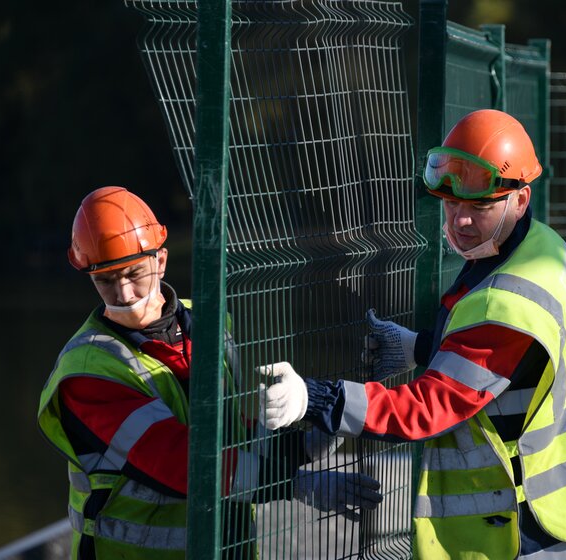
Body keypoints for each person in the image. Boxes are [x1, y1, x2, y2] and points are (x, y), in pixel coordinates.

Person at [259, 109, 566, 559]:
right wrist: (419, 346)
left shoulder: (507, 298)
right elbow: (503, 368)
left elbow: (426, 409)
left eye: (479, 207)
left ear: (520, 198)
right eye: (451, 204)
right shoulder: (541, 248)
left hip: (532, 532)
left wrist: (316, 399)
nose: (460, 220)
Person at [37, 186, 382, 560]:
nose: (122, 292)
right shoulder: (89, 370)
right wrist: (293, 483)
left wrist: (299, 445)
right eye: (105, 279)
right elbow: (177, 459)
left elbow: (226, 435)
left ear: (161, 260)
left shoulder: (208, 325)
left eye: (133, 273)